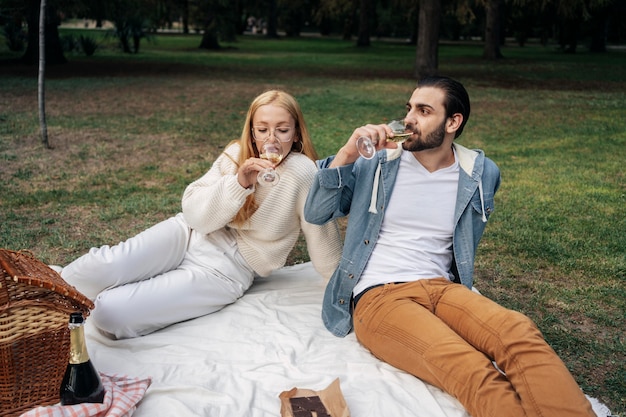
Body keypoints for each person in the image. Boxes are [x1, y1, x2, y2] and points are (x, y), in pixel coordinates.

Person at [303, 76, 595, 417]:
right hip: (380, 296)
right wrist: (348, 152)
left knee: (519, 332)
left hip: (443, 289)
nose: (409, 119)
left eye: (424, 111)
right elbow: (317, 212)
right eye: (409, 108)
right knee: (468, 366)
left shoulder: (480, 173)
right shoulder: (378, 161)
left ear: (453, 122)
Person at [57, 90, 342, 340]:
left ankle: (117, 303)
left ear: (295, 133)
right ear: (252, 131)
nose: (272, 139)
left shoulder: (304, 173)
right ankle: (36, 303)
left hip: (227, 269)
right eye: (263, 129)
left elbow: (321, 235)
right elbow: (195, 217)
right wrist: (239, 183)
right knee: (88, 272)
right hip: (188, 234)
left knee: (109, 313)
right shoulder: (236, 153)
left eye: (282, 130)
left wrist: (343, 289)